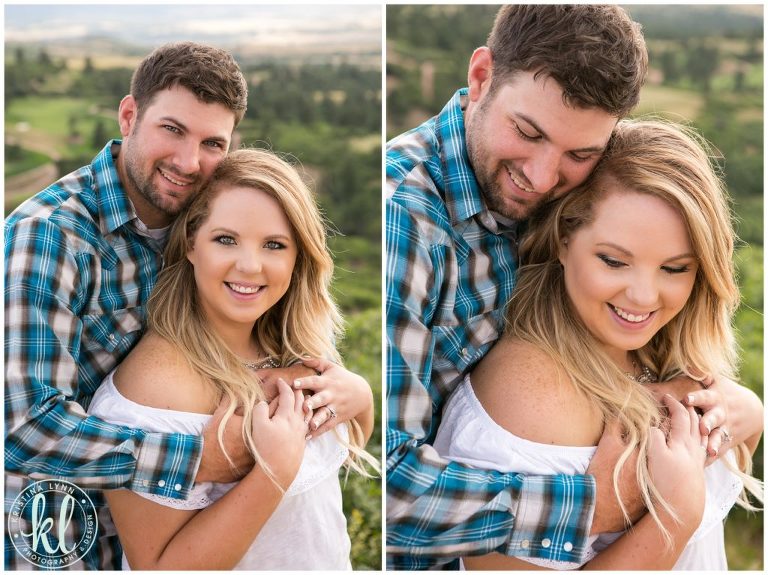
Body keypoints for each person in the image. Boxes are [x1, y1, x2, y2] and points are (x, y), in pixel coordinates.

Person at [385, 5, 754, 569]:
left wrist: (745, 409)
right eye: (527, 132)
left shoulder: (563, 196)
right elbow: (389, 489)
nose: (540, 177)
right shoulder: (404, 220)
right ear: (481, 77)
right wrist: (603, 506)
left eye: (580, 154)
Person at [4, 42, 325, 570]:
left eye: (211, 142)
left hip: (164, 523)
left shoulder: (196, 215)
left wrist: (347, 391)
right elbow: (21, 429)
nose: (188, 161)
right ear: (129, 116)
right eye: (172, 129)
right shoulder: (50, 238)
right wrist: (199, 459)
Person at [434, 119, 764, 570]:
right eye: (613, 261)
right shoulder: (529, 405)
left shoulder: (655, 355)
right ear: (565, 238)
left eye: (675, 268)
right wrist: (675, 514)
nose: (644, 297)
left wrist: (745, 412)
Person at [86, 148, 377, 570]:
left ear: (299, 258)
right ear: (190, 243)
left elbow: (337, 458)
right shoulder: (154, 393)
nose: (249, 265)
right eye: (226, 239)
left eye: (274, 245)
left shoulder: (296, 346)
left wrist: (361, 399)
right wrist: (272, 473)